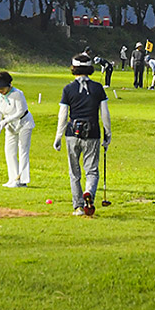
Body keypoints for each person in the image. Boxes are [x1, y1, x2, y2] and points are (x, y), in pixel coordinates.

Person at [54, 54, 111, 216]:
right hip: (92, 133)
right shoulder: (98, 88)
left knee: (75, 172)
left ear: (74, 68)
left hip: (72, 133)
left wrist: (58, 137)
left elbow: (63, 115)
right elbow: (105, 114)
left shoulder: (68, 89)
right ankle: (89, 193)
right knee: (91, 170)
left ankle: (78, 206)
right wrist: (108, 133)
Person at [0, 71, 35, 188]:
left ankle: (22, 180)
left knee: (23, 150)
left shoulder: (17, 94)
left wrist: (5, 121)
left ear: (9, 85)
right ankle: (12, 178)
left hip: (24, 123)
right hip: (10, 126)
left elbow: (21, 111)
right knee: (9, 151)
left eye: (1, 87)